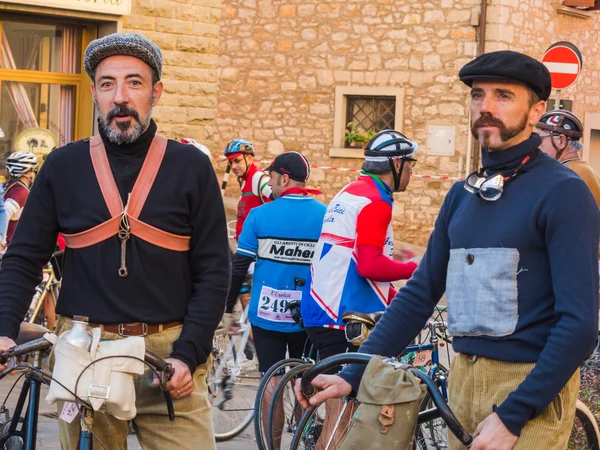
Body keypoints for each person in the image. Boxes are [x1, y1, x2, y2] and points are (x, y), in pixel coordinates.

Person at [296, 50, 599, 450]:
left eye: (503, 96)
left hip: (529, 392)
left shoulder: (563, 192)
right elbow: (420, 293)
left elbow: (579, 325)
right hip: (461, 386)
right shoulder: (461, 195)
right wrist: (354, 370)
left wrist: (514, 413)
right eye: (478, 95)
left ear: (536, 109)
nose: (486, 107)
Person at [0, 33, 230, 450]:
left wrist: (189, 351)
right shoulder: (63, 165)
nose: (120, 97)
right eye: (108, 84)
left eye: (134, 83)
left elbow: (214, 270)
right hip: (84, 355)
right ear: (94, 92)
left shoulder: (191, 167)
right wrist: (3, 329)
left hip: (169, 362)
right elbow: (22, 258)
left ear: (156, 92)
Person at [301, 129, 419, 361]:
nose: (411, 172)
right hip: (344, 313)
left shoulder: (351, 191)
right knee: (346, 389)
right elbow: (369, 266)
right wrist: (417, 269)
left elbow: (348, 255)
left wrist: (391, 287)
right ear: (396, 164)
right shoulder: (376, 202)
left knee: (329, 385)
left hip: (319, 304)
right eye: (409, 164)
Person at [537, 109, 600, 206]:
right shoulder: (583, 170)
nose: (537, 145)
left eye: (541, 138)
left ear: (561, 141)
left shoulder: (566, 175)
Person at [224, 138, 272, 240]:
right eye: (230, 162)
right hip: (246, 246)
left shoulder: (258, 177)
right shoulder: (245, 180)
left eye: (237, 160)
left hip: (257, 248)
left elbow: (281, 201)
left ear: (249, 158)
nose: (233, 166)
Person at [1, 151, 39, 248]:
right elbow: (5, 212)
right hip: (10, 250)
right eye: (34, 170)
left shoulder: (8, 186)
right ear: (28, 173)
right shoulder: (21, 192)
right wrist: (2, 242)